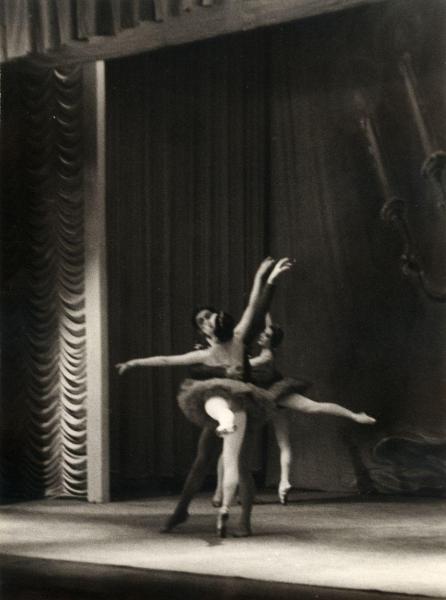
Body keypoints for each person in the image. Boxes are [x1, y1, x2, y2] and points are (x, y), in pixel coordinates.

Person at [116, 257, 293, 537]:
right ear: (201, 329)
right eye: (202, 321)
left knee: (240, 466)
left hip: (240, 403)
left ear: (214, 324)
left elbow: (256, 308)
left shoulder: (235, 338)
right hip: (217, 405)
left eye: (209, 318)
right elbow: (171, 362)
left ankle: (243, 520)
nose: (206, 322)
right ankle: (181, 511)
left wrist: (265, 277)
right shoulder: (203, 353)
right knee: (202, 461)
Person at [212, 313, 376, 506]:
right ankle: (275, 484)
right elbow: (267, 324)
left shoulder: (266, 355)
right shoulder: (263, 349)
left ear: (270, 340)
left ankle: (355, 416)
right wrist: (263, 304)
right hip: (264, 397)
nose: (261, 336)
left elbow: (241, 366)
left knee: (311, 408)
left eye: (265, 335)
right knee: (271, 442)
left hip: (275, 393)